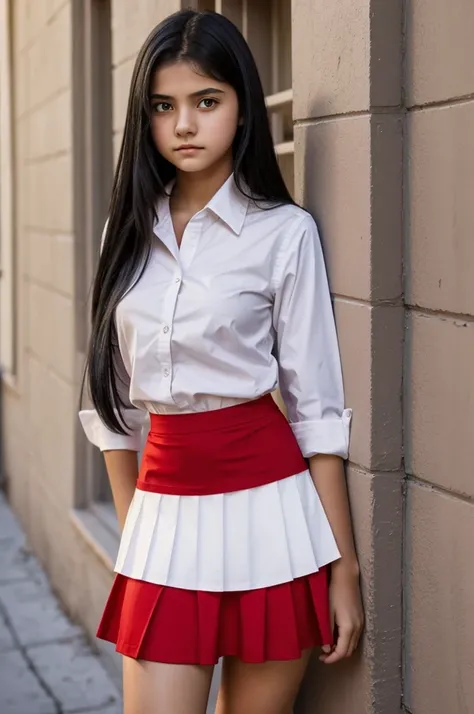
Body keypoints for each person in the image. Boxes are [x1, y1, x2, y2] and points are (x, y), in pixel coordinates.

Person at [79, 8, 364, 714]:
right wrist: (133, 541)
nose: (184, 125)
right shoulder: (126, 232)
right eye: (163, 106)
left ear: (242, 108)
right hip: (162, 515)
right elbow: (108, 409)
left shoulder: (284, 233)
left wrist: (344, 569)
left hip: (274, 512)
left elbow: (318, 413)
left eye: (207, 102)